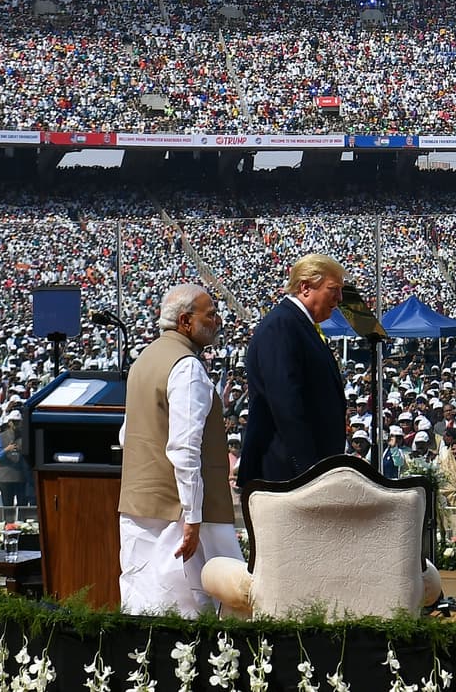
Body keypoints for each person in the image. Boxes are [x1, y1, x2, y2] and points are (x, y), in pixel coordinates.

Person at [117, 284, 242, 618]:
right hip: (179, 512)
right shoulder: (186, 366)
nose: (217, 321)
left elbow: (128, 435)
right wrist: (192, 517)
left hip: (140, 505)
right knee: (188, 610)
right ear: (186, 321)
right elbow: (185, 449)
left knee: (143, 604)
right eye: (210, 315)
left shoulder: (144, 360)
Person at [237, 254, 347, 484]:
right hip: (286, 471)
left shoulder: (300, 324)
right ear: (305, 287)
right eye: (333, 289)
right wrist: (308, 470)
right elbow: (286, 401)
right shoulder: (282, 326)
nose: (339, 298)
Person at [0, 411, 31, 506]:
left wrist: (22, 450)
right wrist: (6, 450)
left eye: (18, 422)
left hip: (21, 476)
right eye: (14, 422)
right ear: (9, 422)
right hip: (5, 477)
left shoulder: (25, 436)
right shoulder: (1, 436)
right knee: (7, 507)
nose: (16, 424)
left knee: (22, 506)